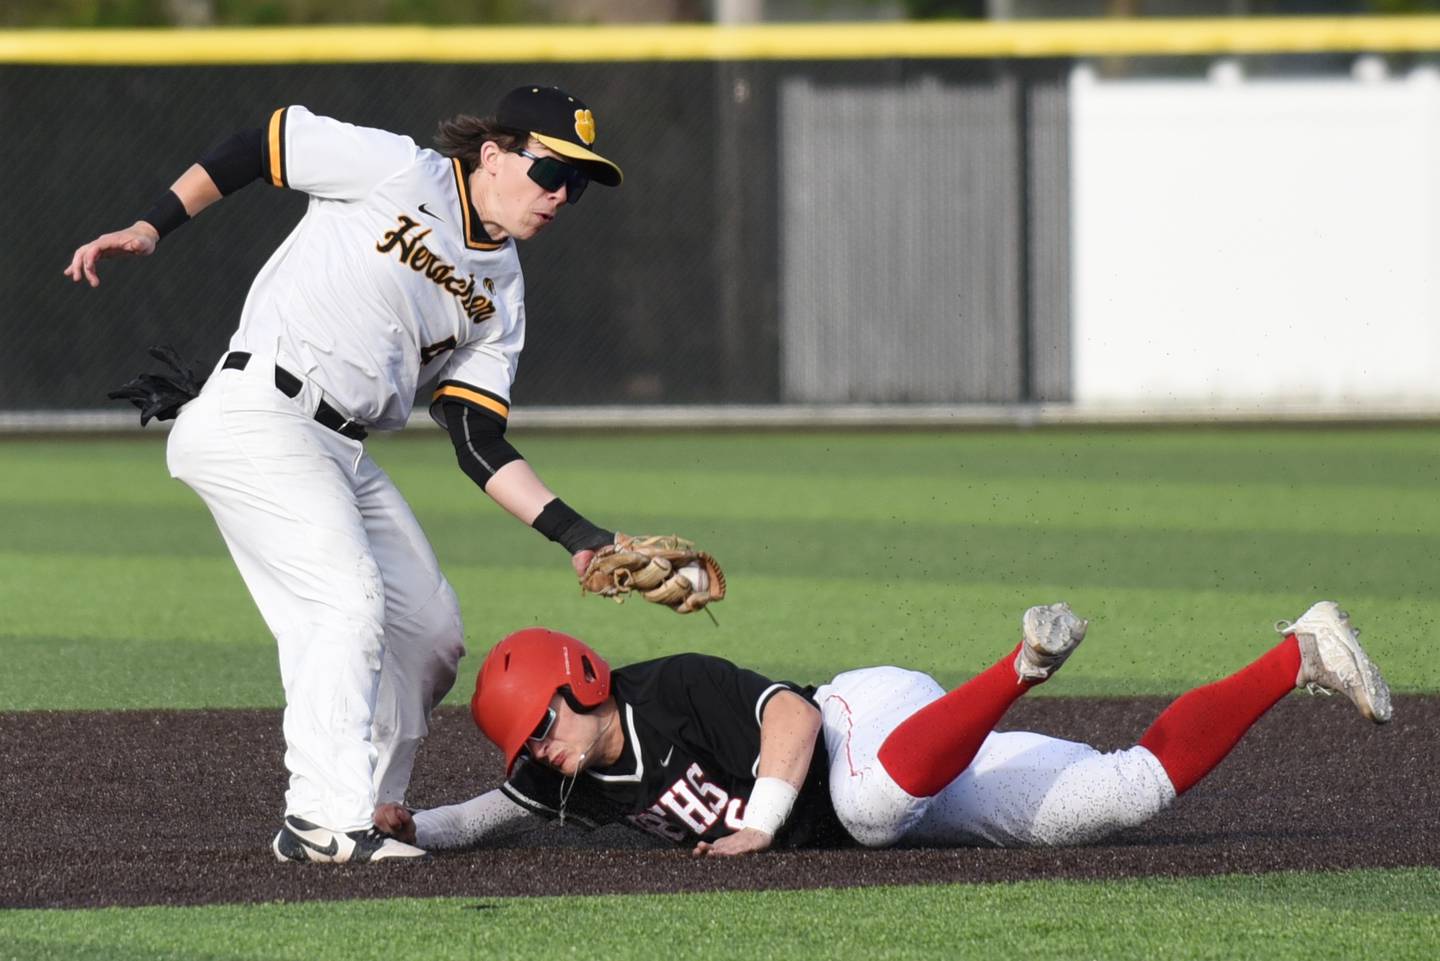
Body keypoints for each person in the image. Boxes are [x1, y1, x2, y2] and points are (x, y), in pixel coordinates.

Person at [64, 86, 628, 863]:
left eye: (580, 182)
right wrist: (151, 224)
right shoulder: (400, 171)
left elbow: (474, 434)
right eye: (551, 170)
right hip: (260, 410)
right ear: (493, 155)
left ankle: (375, 805)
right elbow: (263, 141)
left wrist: (578, 534)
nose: (562, 194)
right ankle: (321, 819)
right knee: (345, 598)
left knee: (428, 631)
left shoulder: (503, 292)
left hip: (341, 447)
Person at [374, 600, 1392, 856]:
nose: (536, 753)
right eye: (528, 748)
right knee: (1118, 798)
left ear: (579, 679)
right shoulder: (569, 774)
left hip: (866, 717)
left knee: (862, 808)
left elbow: (789, 721)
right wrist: (407, 824)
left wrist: (766, 822)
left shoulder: (668, 687)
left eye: (540, 729)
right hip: (920, 776)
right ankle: (1302, 651)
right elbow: (486, 816)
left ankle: (1022, 665)